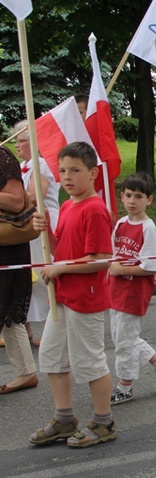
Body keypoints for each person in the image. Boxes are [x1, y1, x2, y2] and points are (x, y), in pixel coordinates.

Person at [29, 142, 116, 447]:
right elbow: (59, 248)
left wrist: (61, 268)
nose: (67, 176)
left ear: (92, 173)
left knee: (90, 361)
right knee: (53, 356)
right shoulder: (67, 206)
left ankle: (104, 422)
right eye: (63, 170)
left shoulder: (94, 209)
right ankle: (64, 418)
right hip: (63, 295)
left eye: (75, 170)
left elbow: (102, 258)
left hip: (86, 298)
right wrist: (45, 231)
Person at [109, 172, 156, 405]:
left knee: (124, 342)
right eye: (128, 195)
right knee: (121, 338)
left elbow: (151, 267)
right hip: (115, 291)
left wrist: (118, 269)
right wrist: (112, 269)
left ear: (149, 200)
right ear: (121, 196)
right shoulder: (120, 224)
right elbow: (113, 255)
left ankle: (125, 386)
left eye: (138, 196)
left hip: (134, 293)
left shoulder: (148, 228)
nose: (132, 201)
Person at [13, 121, 60, 347]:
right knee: (27, 279)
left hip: (43, 225)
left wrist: (8, 199)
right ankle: (27, 330)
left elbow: (34, 196)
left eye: (20, 141)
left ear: (33, 143)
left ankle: (56, 328)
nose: (16, 145)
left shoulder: (40, 165)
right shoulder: (26, 167)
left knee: (44, 278)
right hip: (30, 227)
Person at [0, 146, 38, 395]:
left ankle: (27, 372)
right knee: (8, 313)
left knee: (7, 307)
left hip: (7, 249)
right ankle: (26, 372)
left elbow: (15, 201)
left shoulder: (2, 158)